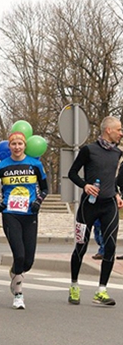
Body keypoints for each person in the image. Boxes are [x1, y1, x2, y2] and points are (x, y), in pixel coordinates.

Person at [0, 132, 48, 309]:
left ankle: (15, 272)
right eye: (13, 144)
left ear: (25, 145)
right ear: (9, 146)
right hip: (11, 214)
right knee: (18, 255)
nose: (17, 147)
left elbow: (45, 189)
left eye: (20, 144)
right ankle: (18, 293)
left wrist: (38, 202)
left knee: (28, 261)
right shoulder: (2, 166)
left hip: (30, 215)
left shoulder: (35, 165)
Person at [67, 116, 123, 306]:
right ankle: (74, 285)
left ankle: (102, 291)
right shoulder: (89, 150)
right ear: (108, 130)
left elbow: (111, 178)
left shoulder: (117, 153)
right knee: (81, 247)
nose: (121, 133)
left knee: (110, 247)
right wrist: (85, 186)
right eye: (119, 129)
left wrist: (116, 193)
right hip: (88, 206)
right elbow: (72, 173)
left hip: (109, 206)